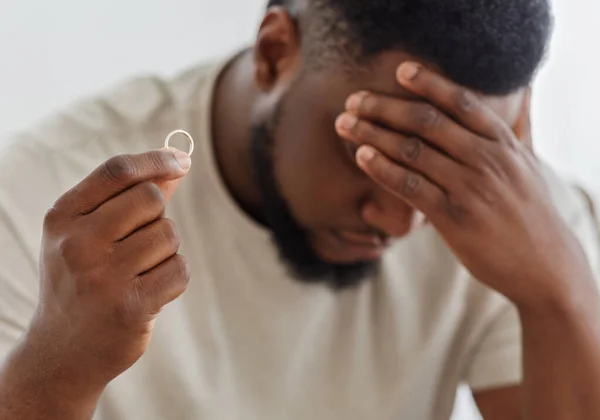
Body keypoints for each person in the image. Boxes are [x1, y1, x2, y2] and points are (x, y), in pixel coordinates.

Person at [1, 0, 600, 419]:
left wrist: (561, 296)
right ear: (274, 51)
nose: (401, 221)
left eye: (447, 167)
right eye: (369, 152)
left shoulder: (511, 222)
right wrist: (56, 372)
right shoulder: (38, 200)